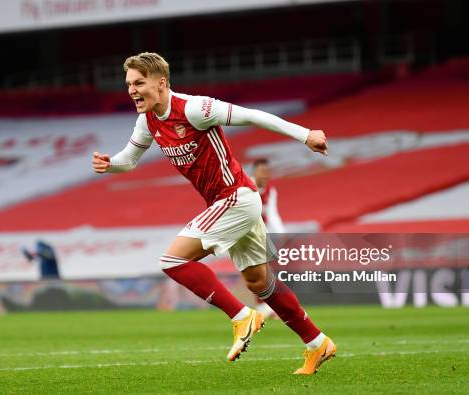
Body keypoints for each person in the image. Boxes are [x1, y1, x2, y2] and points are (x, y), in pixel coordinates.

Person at [92, 52, 335, 375]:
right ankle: (318, 344)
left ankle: (242, 316)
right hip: (231, 203)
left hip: (235, 198)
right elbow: (131, 159)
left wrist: (305, 135)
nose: (132, 90)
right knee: (259, 282)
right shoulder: (148, 119)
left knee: (173, 260)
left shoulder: (195, 108)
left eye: (139, 83)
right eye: (128, 84)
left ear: (161, 83)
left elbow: (252, 116)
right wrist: (111, 164)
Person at [251, 158, 284, 319]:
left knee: (265, 270)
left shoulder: (271, 190)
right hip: (246, 234)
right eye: (261, 171)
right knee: (259, 270)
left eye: (267, 172)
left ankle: (265, 307)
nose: (265, 175)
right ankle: (263, 306)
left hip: (261, 235)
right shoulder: (246, 187)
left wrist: (281, 235)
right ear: (254, 172)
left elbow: (272, 214)